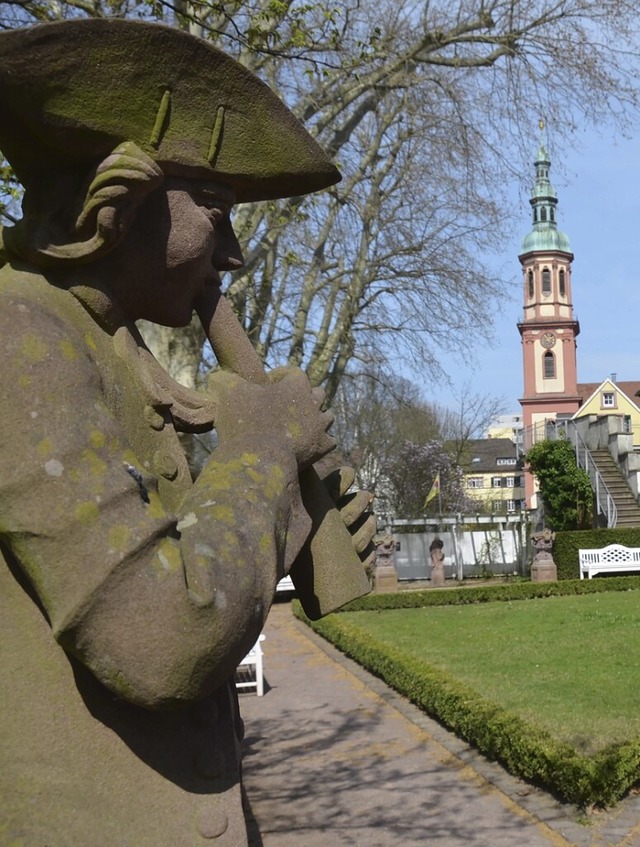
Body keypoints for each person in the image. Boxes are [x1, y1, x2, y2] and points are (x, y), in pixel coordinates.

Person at [0, 19, 373, 845]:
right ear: (121, 203)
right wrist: (263, 452)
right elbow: (162, 633)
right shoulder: (19, 339)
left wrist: (292, 518)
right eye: (214, 210)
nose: (232, 253)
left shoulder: (109, 343)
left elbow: (186, 553)